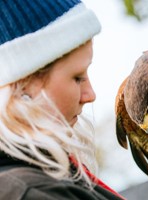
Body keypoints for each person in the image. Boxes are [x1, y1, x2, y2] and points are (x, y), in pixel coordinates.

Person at [0, 0, 124, 199]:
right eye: (77, 77)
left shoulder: (42, 177)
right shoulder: (26, 192)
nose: (90, 95)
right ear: (23, 84)